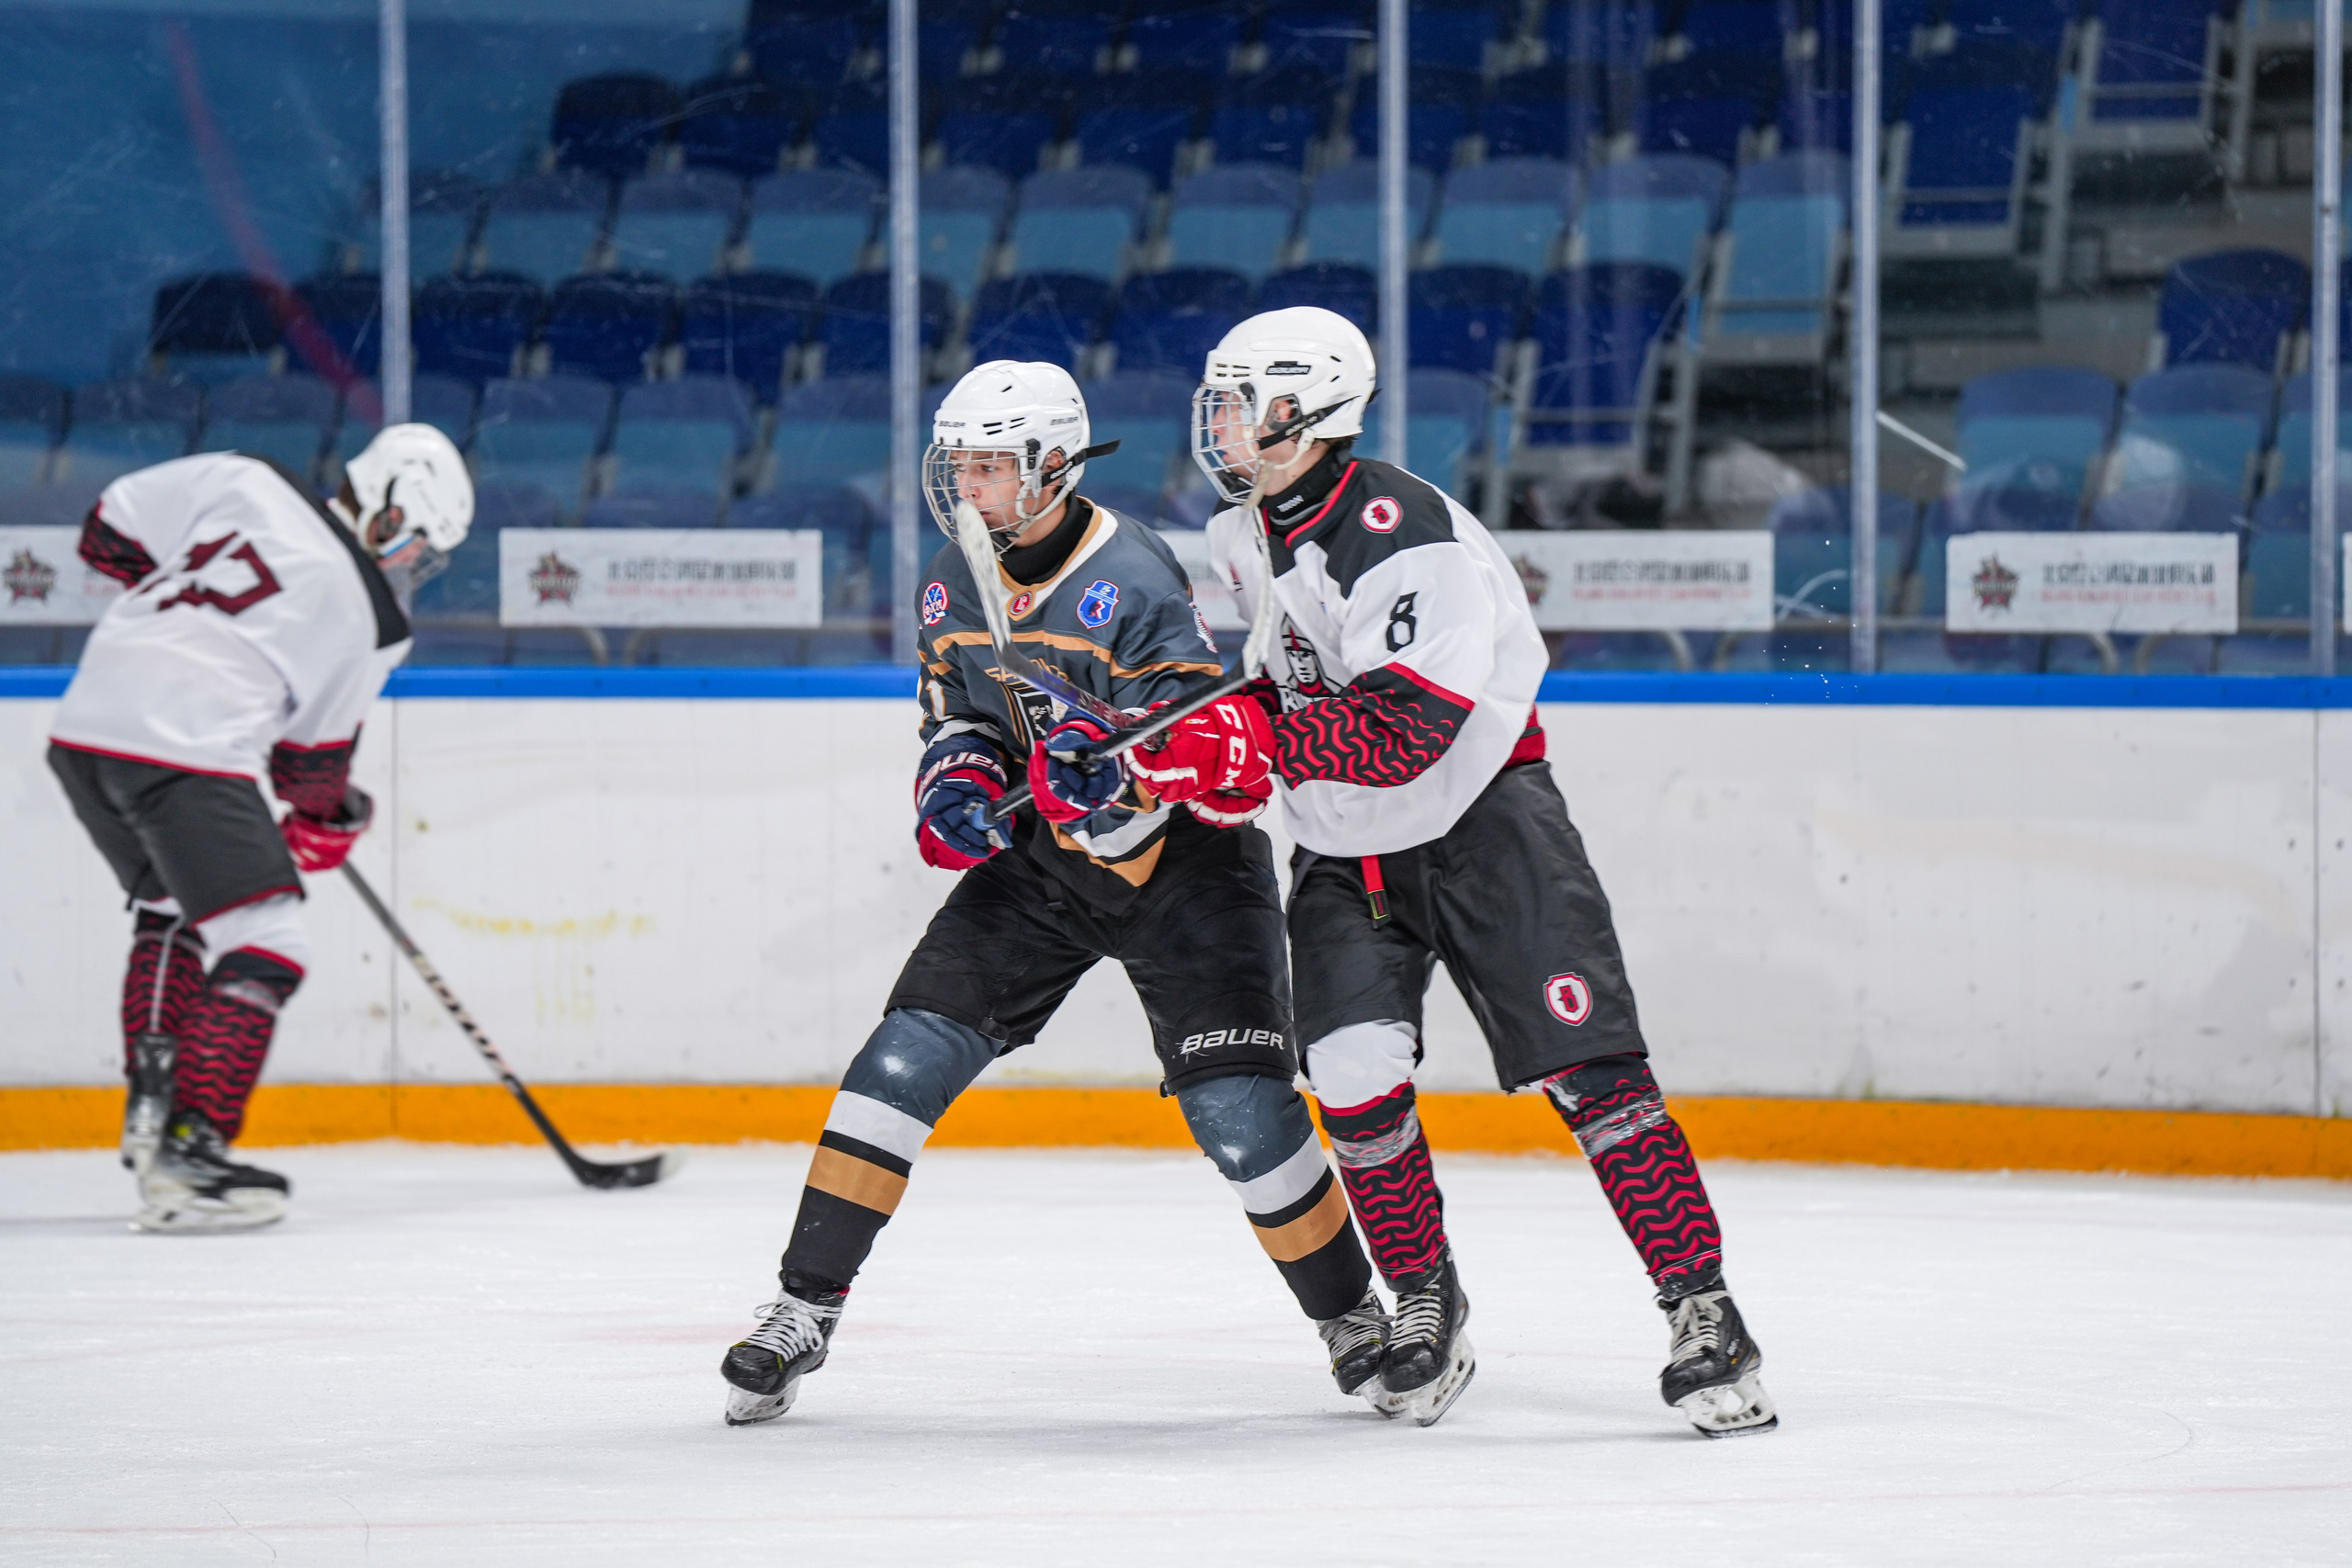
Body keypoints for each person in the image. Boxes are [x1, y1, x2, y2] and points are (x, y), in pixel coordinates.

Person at [718, 360, 1388, 1425]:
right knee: (894, 1067)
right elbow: (963, 714)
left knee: (1241, 1115)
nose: (967, 487)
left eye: (990, 464)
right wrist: (961, 774)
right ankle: (801, 1310)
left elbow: (1193, 746)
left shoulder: (1136, 573)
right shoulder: (951, 570)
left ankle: (1353, 1317)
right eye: (959, 464)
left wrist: (1112, 763)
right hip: (1046, 863)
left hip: (1189, 863)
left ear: (1054, 465)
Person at [1155, 308, 1777, 1435]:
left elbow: (1405, 733)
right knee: (1346, 1076)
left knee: (1594, 1077)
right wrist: (1170, 738)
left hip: (1488, 827)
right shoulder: (1239, 535)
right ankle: (1424, 1301)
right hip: (1345, 851)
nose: (1227, 425)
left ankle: (1705, 1313)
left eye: (1246, 401)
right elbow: (1276, 689)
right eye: (1223, 401)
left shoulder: (1409, 533)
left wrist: (1249, 741)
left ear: (1311, 409)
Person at [47, 429, 473, 1234]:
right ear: (389, 505)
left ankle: (152, 1113)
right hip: (183, 748)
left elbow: (104, 531)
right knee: (271, 941)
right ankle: (192, 1150)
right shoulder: (370, 617)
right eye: (419, 541)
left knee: (170, 909)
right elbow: (308, 776)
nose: (412, 563)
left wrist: (183, 630)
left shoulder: (245, 475)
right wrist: (333, 819)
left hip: (86, 724)